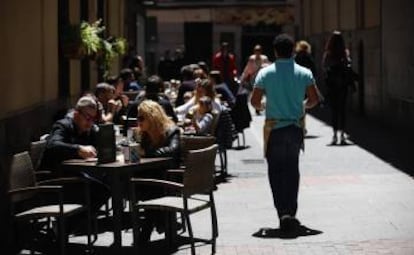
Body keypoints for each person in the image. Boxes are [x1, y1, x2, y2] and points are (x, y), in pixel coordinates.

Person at [250, 34, 320, 234]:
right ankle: (291, 212)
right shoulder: (304, 72)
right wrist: (301, 107)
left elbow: (254, 101)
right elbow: (314, 99)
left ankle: (283, 214)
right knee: (292, 171)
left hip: (274, 128)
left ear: (274, 51)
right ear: (293, 51)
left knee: (276, 173)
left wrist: (265, 105)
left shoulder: (265, 73)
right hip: (295, 128)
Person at [39, 96, 110, 229]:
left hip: (73, 176)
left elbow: (99, 146)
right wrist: (78, 149)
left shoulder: (87, 129)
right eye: (87, 118)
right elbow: (52, 145)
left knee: (106, 184)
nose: (90, 123)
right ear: (77, 114)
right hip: (55, 180)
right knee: (99, 191)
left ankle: (69, 224)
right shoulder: (63, 125)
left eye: (93, 119)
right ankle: (68, 225)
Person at [134, 100, 181, 243]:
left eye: (141, 118)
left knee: (151, 189)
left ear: (152, 117)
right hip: (150, 177)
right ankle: (159, 224)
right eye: (138, 118)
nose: (138, 121)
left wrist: (148, 153)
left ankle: (147, 229)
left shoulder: (172, 130)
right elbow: (136, 150)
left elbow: (172, 150)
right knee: (134, 184)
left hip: (170, 178)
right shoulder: (143, 134)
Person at [322, 30, 356, 145]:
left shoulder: (328, 53)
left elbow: (324, 67)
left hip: (332, 85)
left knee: (334, 111)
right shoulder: (344, 53)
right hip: (343, 85)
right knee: (342, 110)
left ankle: (335, 135)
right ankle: (342, 135)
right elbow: (348, 66)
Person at [240, 44, 270, 115]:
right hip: (254, 78)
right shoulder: (251, 59)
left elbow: (268, 66)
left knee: (263, 93)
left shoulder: (264, 58)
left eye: (259, 50)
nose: (257, 52)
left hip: (263, 78)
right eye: (256, 50)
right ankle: (257, 108)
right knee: (256, 91)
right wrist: (243, 78)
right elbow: (247, 68)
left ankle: (259, 106)